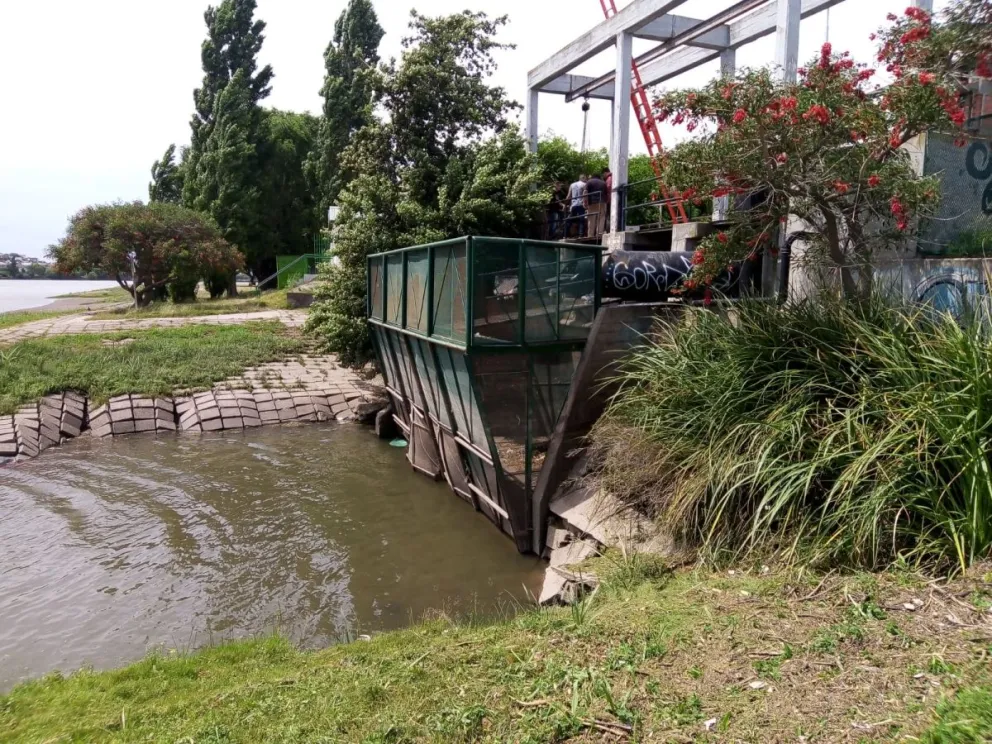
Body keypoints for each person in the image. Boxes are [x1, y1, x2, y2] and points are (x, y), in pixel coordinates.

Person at [586, 171, 608, 237]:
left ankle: (590, 235)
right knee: (601, 218)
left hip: (591, 202)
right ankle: (599, 234)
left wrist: (585, 202)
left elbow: (585, 192)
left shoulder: (589, 182)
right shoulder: (603, 183)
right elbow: (606, 193)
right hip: (602, 202)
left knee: (591, 219)